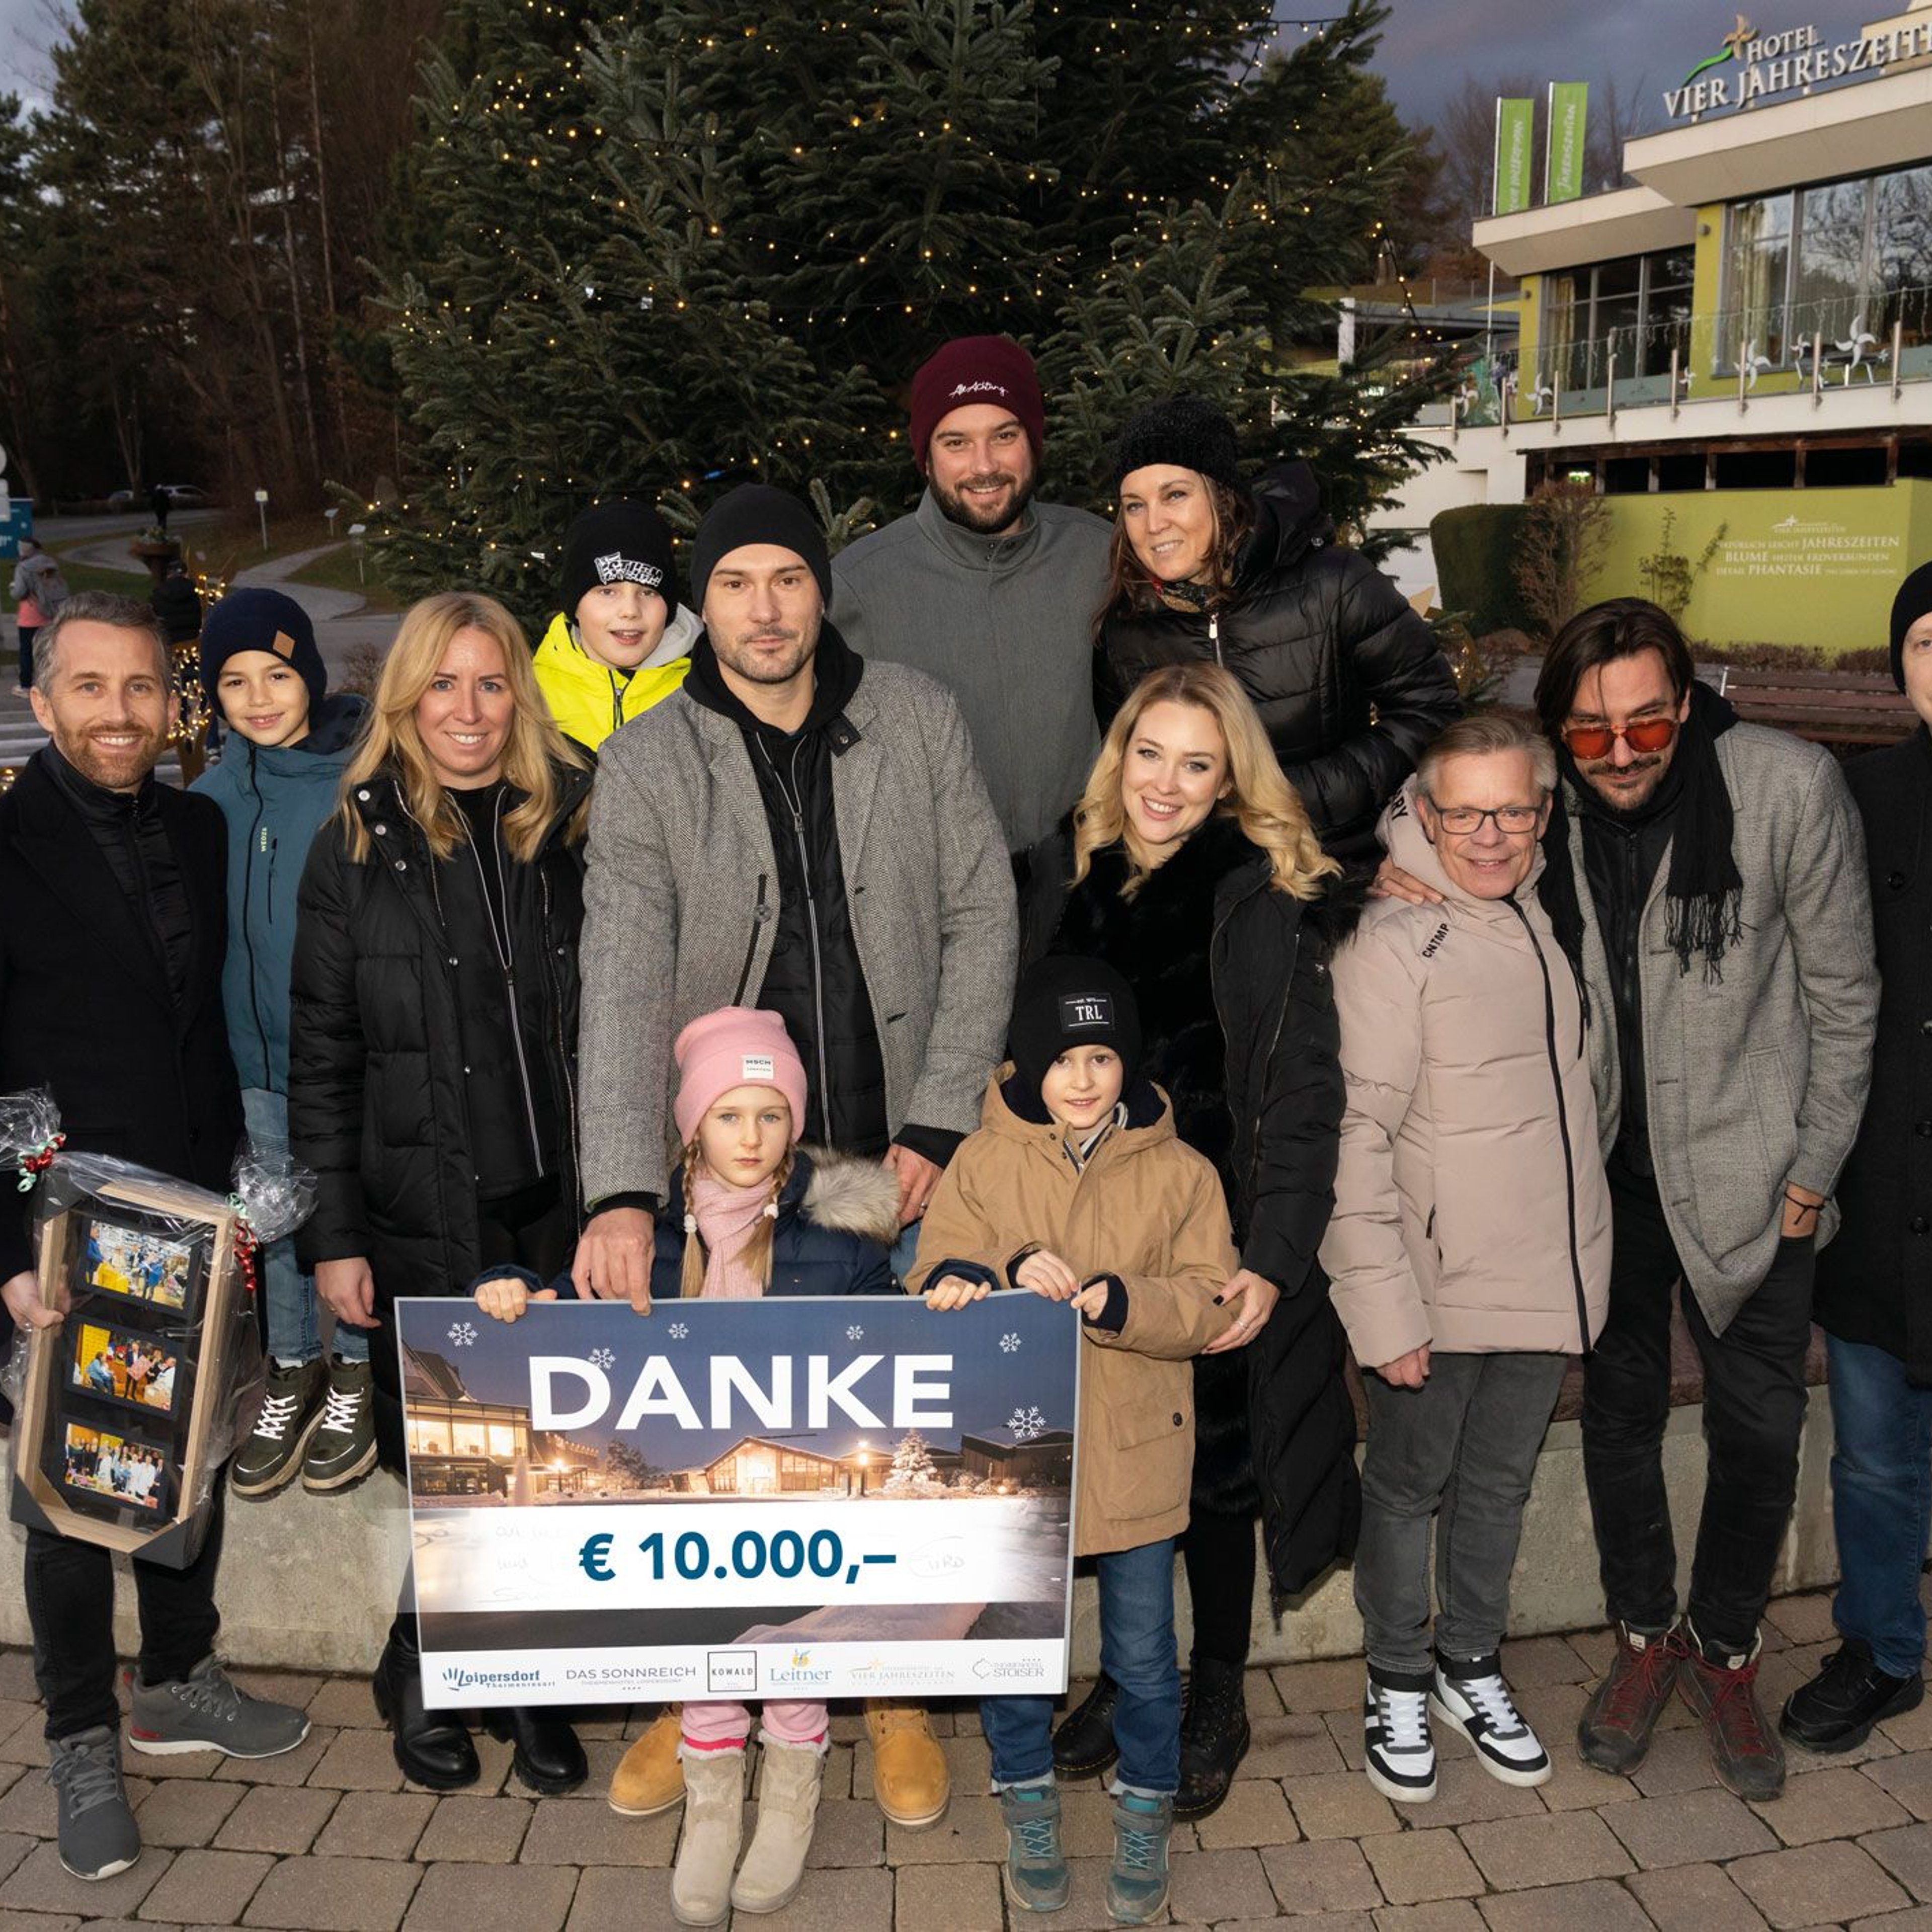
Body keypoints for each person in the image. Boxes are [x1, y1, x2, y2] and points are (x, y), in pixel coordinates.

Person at [574, 481, 1016, 1830]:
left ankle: (888, 1694)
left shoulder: (918, 719)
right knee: (730, 1457)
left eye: (786, 578)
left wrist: (939, 1119)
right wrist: (619, 1192)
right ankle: (696, 1688)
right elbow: (624, 979)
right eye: (734, 585)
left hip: (898, 1158)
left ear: (822, 589)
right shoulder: (652, 762)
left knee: (891, 1450)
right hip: (740, 1187)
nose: (763, 609)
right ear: (699, 607)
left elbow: (981, 914)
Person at [1528, 598, 1876, 1800]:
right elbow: (1423, 819)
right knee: (1617, 1410)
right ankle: (1641, 1632)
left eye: (1645, 724)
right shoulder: (1540, 799)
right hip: (1608, 1167)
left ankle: (1723, 1645)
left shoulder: (1786, 788)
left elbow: (1843, 993)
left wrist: (1812, 1167)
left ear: (1685, 701)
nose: (1619, 754)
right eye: (1587, 734)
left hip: (1754, 1169)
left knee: (1757, 1427)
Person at [0, 591, 310, 1884]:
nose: (119, 715)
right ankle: (79, 1735)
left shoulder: (191, 821)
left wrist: (249, 1175)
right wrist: (3, 1256)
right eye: (90, 688)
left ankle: (180, 1676)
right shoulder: (3, 845)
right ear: (41, 696)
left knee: (196, 1459)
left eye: (141, 688)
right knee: (70, 1497)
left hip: (195, 1209)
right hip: (59, 1231)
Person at [473, 1008, 900, 1925]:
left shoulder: (842, 1238)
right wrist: (511, 1289)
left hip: (800, 1491)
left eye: (772, 1114)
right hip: (688, 1500)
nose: (752, 1137)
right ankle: (712, 1799)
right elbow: (563, 1310)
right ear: (692, 1123)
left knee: (794, 1641)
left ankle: (790, 1791)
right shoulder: (646, 1240)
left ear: (797, 1122)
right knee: (701, 1646)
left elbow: (904, 1332)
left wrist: (962, 1291)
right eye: (729, 1115)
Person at [1021, 662, 1357, 1817]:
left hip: (1205, 1234)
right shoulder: (1065, 880)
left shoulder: (1257, 893)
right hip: (1083, 1223)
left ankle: (1216, 1691)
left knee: (1216, 1475)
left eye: (1195, 763)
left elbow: (1306, 1086)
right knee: (1117, 1462)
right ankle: (1132, 1674)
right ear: (1118, 756)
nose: (1165, 783)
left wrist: (1268, 1253)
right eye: (1148, 753)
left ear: (1229, 781)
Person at [288, 589, 592, 1798]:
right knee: (459, 1466)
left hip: (555, 1202)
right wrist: (334, 1235)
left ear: (518, 692)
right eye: (441, 685)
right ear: (406, 699)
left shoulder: (564, 823)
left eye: (489, 683)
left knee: (553, 1459)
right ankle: (427, 1667)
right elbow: (321, 1052)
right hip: (426, 1208)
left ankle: (530, 1685)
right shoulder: (353, 847)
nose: (466, 711)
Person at [1321, 715, 1611, 1805]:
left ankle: (1468, 1665)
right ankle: (1395, 1674)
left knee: (1498, 1485)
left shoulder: (1542, 910)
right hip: (1435, 1290)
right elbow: (1355, 1136)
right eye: (1466, 812)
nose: (1491, 835)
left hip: (1544, 1273)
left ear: (1544, 812)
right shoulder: (1395, 937)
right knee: (1406, 1488)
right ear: (1425, 813)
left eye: (1515, 810)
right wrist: (1385, 1311)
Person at [912, 957, 1237, 1923]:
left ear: (1128, 1067)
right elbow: (934, 1271)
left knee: (1141, 1655)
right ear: (1027, 1069)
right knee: (1012, 1649)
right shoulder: (982, 1159)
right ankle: (1028, 1802)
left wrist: (1120, 1299)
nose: (1083, 1078)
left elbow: (1208, 1300)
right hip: (1012, 1464)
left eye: (1102, 1057)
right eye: (1062, 1059)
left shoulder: (1182, 1171)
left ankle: (1144, 1810)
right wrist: (989, 1270)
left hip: (1136, 1447)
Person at [1783, 561, 1932, 1753]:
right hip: (1881, 1192)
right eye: (1926, 644)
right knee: (1875, 1456)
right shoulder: (1857, 796)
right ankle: (1881, 1645)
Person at [1094, 395, 1459, 861]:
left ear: (1222, 497)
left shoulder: (1334, 584)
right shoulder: (1128, 632)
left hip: (1339, 866)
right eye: (1134, 506)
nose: (1154, 524)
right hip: (1206, 884)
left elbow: (1431, 713)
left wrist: (1283, 798)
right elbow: (1124, 767)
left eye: (1175, 495)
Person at [191, 589, 375, 1497]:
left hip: (343, 1059)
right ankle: (293, 1365)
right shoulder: (208, 798)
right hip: (253, 1061)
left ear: (308, 672)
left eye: (276, 673)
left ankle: (354, 1372)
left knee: (342, 1214)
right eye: (234, 681)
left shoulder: (356, 784)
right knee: (277, 1219)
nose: (259, 697)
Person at [832, 335, 1109, 865]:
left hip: (1083, 889)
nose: (984, 466)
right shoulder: (857, 586)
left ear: (1033, 441)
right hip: (937, 900)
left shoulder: (1098, 554)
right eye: (956, 442)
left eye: (1004, 435)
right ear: (926, 458)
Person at [531, 499, 698, 756]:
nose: (630, 610)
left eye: (648, 592)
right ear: (575, 605)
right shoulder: (530, 694)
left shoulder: (702, 692)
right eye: (608, 591)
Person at [10, 538, 67, 689]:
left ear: (23, 549)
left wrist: (12, 588)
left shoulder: (23, 568)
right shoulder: (50, 563)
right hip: (51, 613)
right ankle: (49, 685)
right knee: (46, 651)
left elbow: (19, 592)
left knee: (27, 652)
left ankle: (26, 686)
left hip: (30, 615)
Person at [151, 559, 204, 650]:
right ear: (186, 574)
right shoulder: (197, 593)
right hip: (191, 641)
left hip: (167, 641)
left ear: (169, 574)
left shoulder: (159, 593)